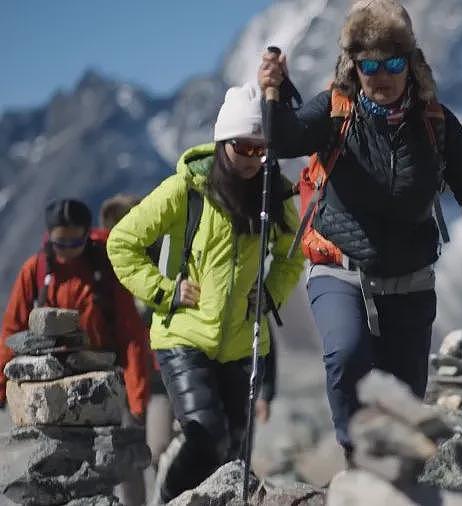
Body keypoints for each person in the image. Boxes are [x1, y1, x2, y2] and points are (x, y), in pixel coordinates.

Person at [258, 0, 462, 462]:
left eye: (393, 62)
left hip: (409, 276)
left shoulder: (435, 121)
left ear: (410, 62)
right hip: (338, 264)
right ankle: (354, 457)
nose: (382, 75)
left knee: (404, 397)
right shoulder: (336, 110)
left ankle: (393, 475)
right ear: (355, 65)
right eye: (370, 64)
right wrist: (272, 91)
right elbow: (286, 139)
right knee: (346, 355)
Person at [106, 82, 304, 501]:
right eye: (242, 147)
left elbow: (292, 254)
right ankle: (169, 500)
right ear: (221, 142)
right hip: (182, 336)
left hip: (239, 343)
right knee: (206, 434)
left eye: (260, 148)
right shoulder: (186, 190)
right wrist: (165, 291)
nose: (252, 158)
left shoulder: (274, 194)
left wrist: (269, 295)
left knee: (234, 451)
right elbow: (120, 242)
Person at [0, 199, 150, 420]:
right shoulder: (35, 270)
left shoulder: (105, 267)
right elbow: (12, 330)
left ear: (87, 235)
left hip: (101, 375)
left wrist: (137, 401)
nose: (68, 250)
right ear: (49, 237)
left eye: (75, 242)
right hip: (48, 381)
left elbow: (131, 334)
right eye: (61, 243)